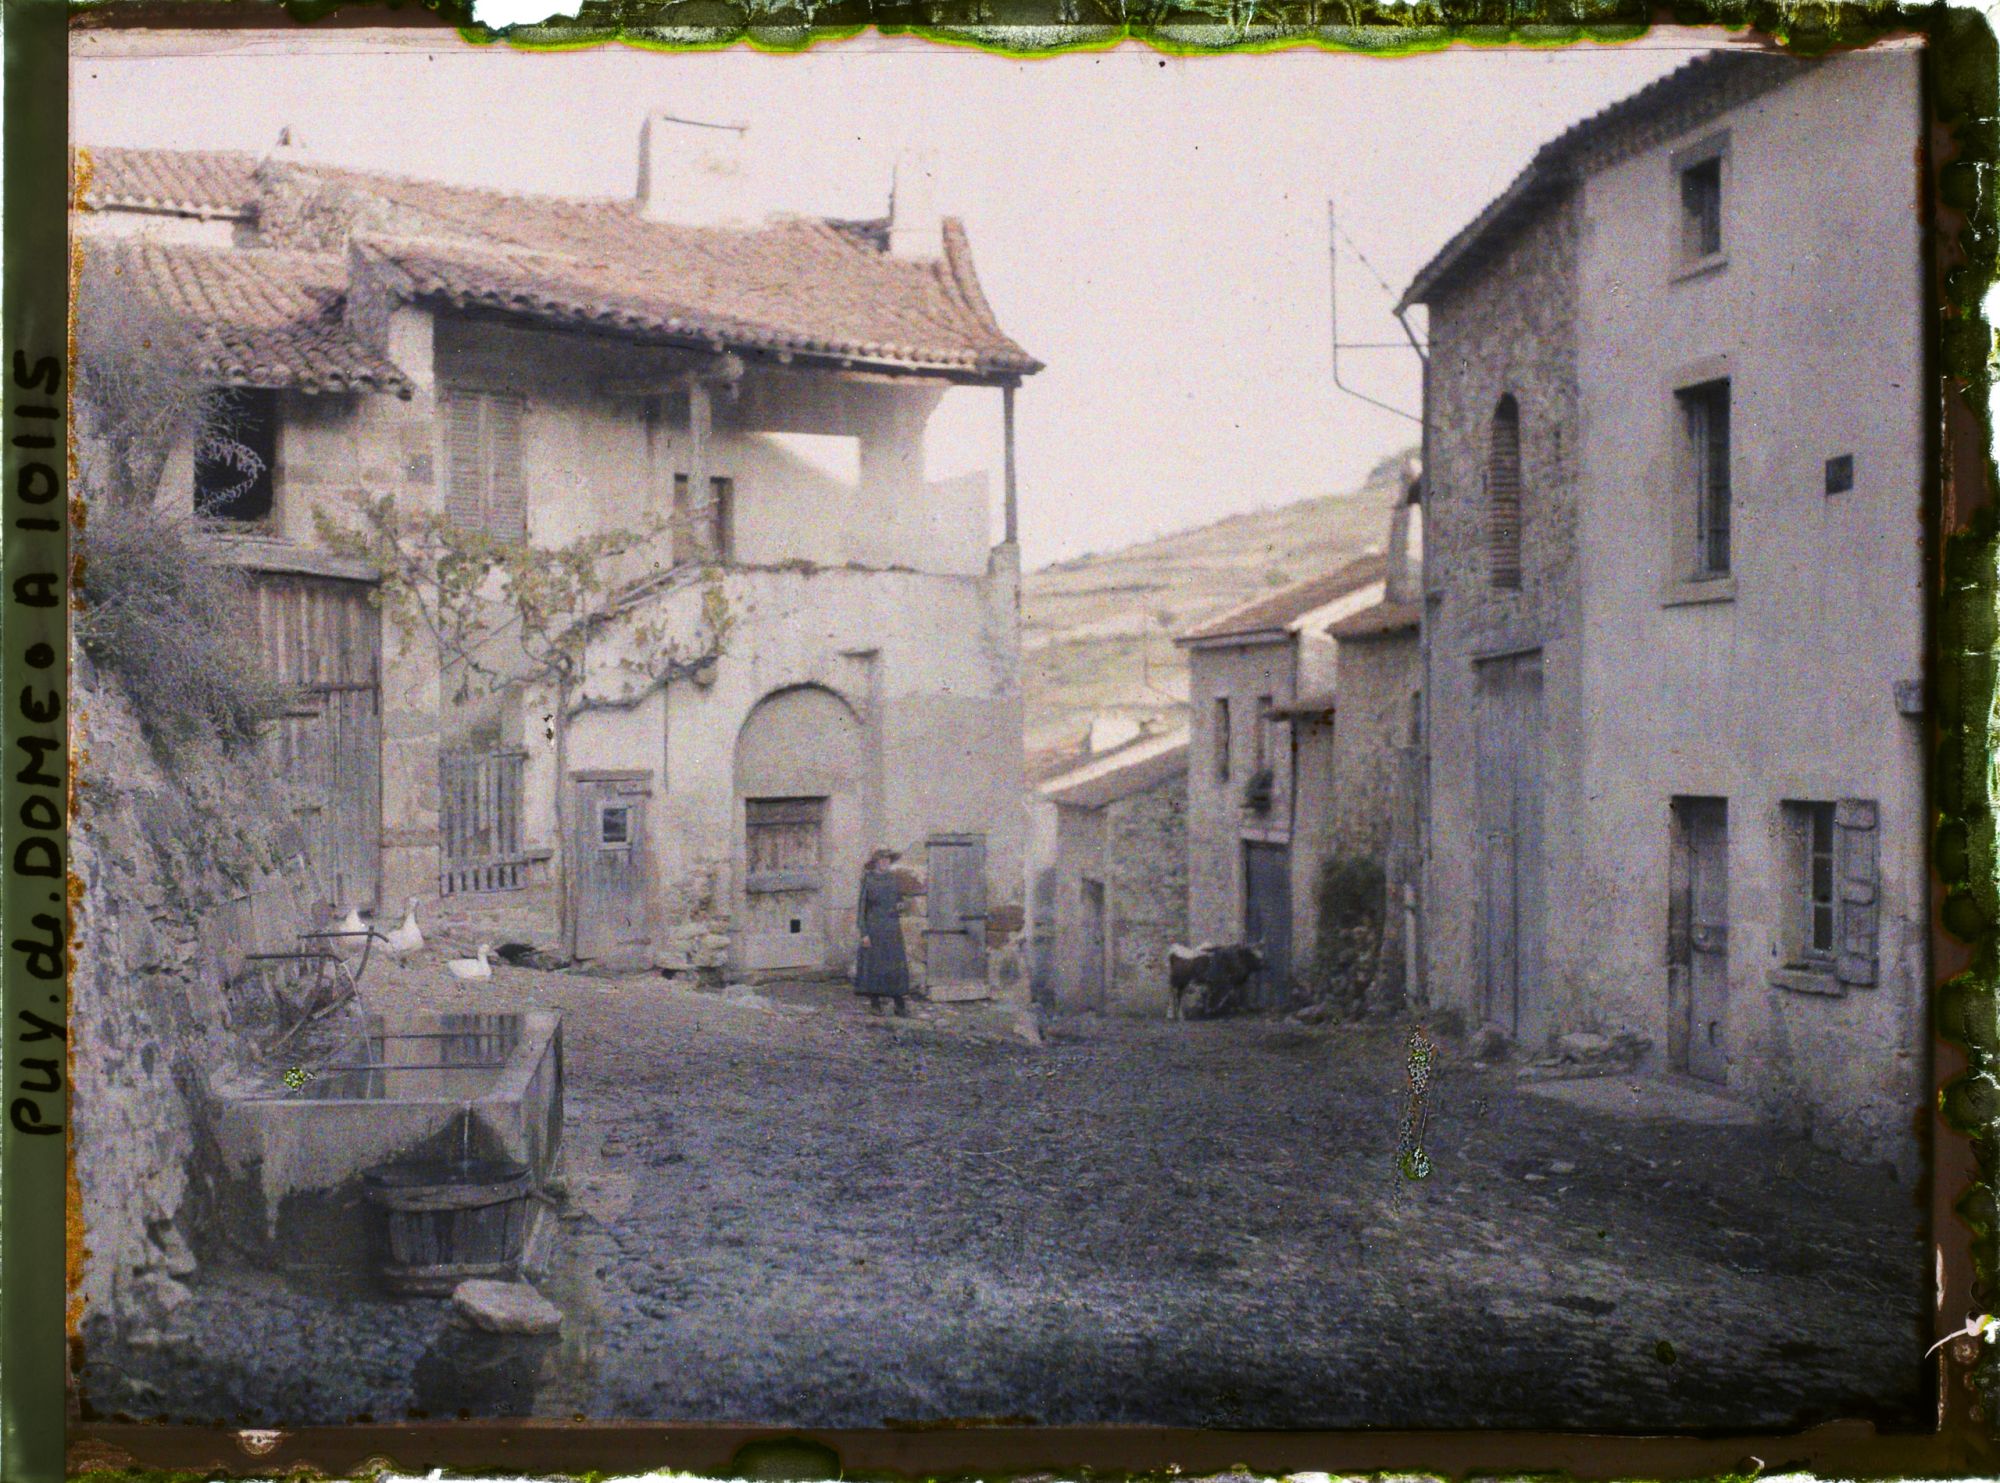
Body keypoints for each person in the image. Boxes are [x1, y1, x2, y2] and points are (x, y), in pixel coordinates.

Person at [855, 848, 911, 1017]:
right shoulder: (869, 880)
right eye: (881, 860)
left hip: (892, 928)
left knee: (895, 965)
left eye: (887, 860)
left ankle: (899, 1004)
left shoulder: (893, 879)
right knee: (874, 965)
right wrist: (864, 932)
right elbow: (861, 908)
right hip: (874, 928)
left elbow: (899, 899)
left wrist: (901, 904)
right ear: (876, 863)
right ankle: (875, 1004)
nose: (885, 863)